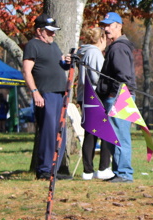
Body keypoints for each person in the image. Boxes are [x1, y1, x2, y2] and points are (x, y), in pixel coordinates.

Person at [22, 15, 72, 179]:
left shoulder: (54, 46)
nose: (53, 34)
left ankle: (54, 170)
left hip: (60, 93)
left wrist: (66, 62)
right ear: (39, 31)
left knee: (60, 131)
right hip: (45, 94)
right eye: (50, 31)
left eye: (54, 31)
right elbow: (27, 71)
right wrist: (35, 92)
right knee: (48, 132)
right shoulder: (33, 46)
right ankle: (44, 170)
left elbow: (60, 65)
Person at [96, 11, 137, 183]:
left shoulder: (119, 47)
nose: (106, 29)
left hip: (119, 97)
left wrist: (115, 94)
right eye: (104, 26)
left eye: (109, 25)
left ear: (119, 26)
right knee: (114, 136)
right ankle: (119, 171)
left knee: (120, 136)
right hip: (118, 96)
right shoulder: (116, 46)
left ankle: (124, 173)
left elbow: (123, 76)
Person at [76, 27, 111, 180]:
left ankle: (88, 170)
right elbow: (97, 76)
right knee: (105, 131)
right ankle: (103, 167)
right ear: (101, 39)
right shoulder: (94, 53)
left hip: (85, 95)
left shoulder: (83, 52)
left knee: (90, 133)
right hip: (95, 95)